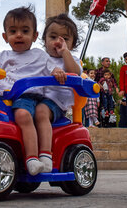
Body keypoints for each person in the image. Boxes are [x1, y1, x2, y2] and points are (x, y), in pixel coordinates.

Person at [0, 6, 64, 176]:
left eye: (25, 30)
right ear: (5, 37)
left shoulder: (40, 54)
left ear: (35, 36)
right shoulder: (2, 56)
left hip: (29, 96)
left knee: (25, 114)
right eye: (13, 31)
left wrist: (57, 72)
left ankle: (38, 157)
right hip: (4, 98)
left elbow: (53, 67)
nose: (19, 35)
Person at [41, 13, 83, 168]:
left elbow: (76, 73)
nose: (59, 41)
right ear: (44, 40)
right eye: (53, 37)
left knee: (41, 111)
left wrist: (65, 53)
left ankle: (45, 155)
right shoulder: (40, 58)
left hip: (56, 104)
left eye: (65, 39)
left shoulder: (72, 60)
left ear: (72, 44)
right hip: (36, 98)